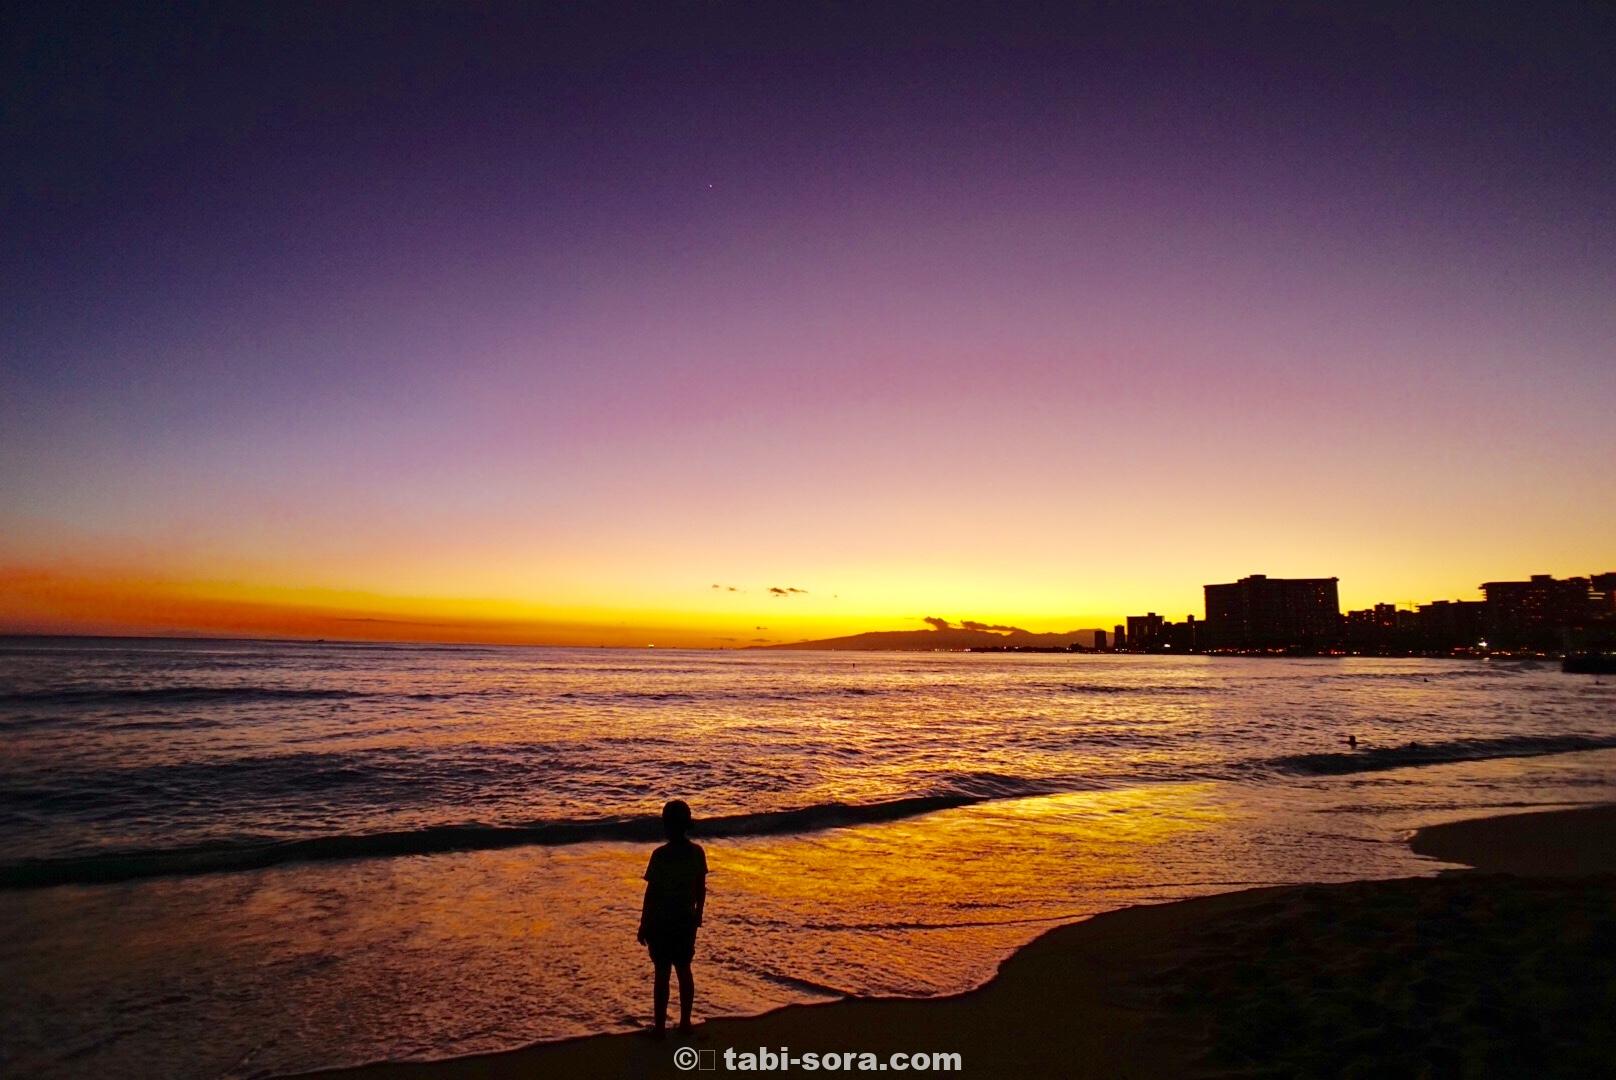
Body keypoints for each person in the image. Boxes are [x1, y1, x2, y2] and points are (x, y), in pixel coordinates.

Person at [637, 799, 707, 1037]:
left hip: (661, 922)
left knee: (662, 974)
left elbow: (652, 893)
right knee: (684, 970)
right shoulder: (697, 852)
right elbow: (701, 888)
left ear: (666, 825)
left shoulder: (660, 855)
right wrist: (698, 915)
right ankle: (685, 1023)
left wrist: (643, 924)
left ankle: (659, 1028)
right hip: (685, 920)